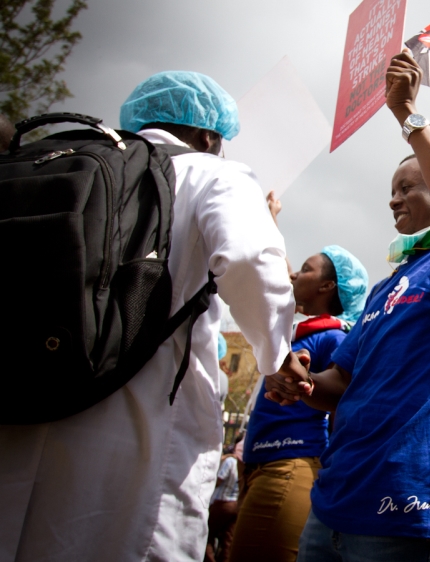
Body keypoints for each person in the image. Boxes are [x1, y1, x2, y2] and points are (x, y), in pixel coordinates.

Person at [0, 71, 298, 561]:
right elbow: (248, 260)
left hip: (19, 407)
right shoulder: (212, 172)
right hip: (135, 432)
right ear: (208, 136)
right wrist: (275, 353)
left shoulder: (70, 161)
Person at [266, 47, 430, 562]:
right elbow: (340, 384)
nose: (393, 199)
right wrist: (302, 381)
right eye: (391, 190)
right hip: (334, 504)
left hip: (410, 510)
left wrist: (407, 114)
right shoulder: (387, 288)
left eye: (408, 187)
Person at [229, 242, 368, 562]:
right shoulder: (298, 335)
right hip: (264, 465)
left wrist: (305, 380)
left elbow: (339, 394)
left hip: (290, 464)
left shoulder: (333, 338)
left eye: (306, 269)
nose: (293, 274)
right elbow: (274, 279)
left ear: (327, 286)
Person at [207, 440, 243, 562]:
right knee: (228, 540)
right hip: (236, 504)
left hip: (222, 502)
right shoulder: (245, 465)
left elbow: (219, 480)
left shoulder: (230, 462)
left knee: (208, 533)